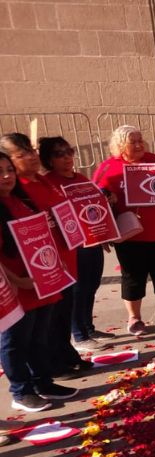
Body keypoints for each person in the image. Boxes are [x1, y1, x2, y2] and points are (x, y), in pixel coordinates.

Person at [1, 133, 91, 378]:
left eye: (31, 150)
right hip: (35, 272)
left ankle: (63, 356)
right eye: (21, 154)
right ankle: (44, 371)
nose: (31, 157)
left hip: (62, 262)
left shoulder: (42, 182)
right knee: (36, 329)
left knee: (60, 317)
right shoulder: (19, 192)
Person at [0, 151, 78, 412]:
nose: (7, 176)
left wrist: (55, 262)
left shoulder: (20, 200)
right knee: (15, 341)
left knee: (38, 337)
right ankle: (21, 391)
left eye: (9, 170)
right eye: (0, 172)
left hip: (40, 282)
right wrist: (18, 281)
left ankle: (43, 382)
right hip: (14, 288)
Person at [94, 126, 155, 335]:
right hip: (131, 235)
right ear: (120, 145)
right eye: (133, 142)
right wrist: (109, 203)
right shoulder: (108, 168)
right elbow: (95, 200)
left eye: (140, 139)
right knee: (132, 277)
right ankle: (135, 318)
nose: (139, 144)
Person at [38, 136, 115, 352]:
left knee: (91, 285)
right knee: (77, 290)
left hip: (92, 240)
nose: (66, 157)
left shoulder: (81, 178)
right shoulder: (48, 183)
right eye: (58, 154)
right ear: (48, 159)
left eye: (68, 151)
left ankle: (88, 327)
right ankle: (79, 336)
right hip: (70, 244)